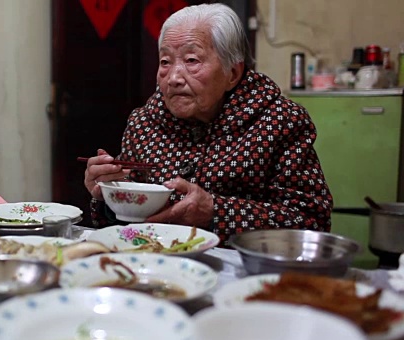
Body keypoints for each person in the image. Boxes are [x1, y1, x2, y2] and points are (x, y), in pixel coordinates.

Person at [83, 3, 333, 246]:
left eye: (192, 60)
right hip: (155, 263)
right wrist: (108, 196)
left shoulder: (280, 122)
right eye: (165, 62)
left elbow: (312, 222)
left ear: (232, 74)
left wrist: (216, 212)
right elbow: (124, 227)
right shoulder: (144, 123)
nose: (173, 78)